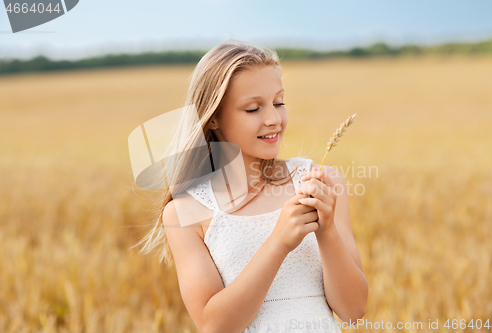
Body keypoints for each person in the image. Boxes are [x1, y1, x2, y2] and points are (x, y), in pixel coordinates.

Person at [136, 40, 368, 333]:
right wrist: (279, 242)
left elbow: (354, 311)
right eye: (253, 109)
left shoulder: (320, 180)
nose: (273, 119)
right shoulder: (185, 212)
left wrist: (327, 230)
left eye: (279, 102)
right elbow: (213, 325)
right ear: (214, 117)